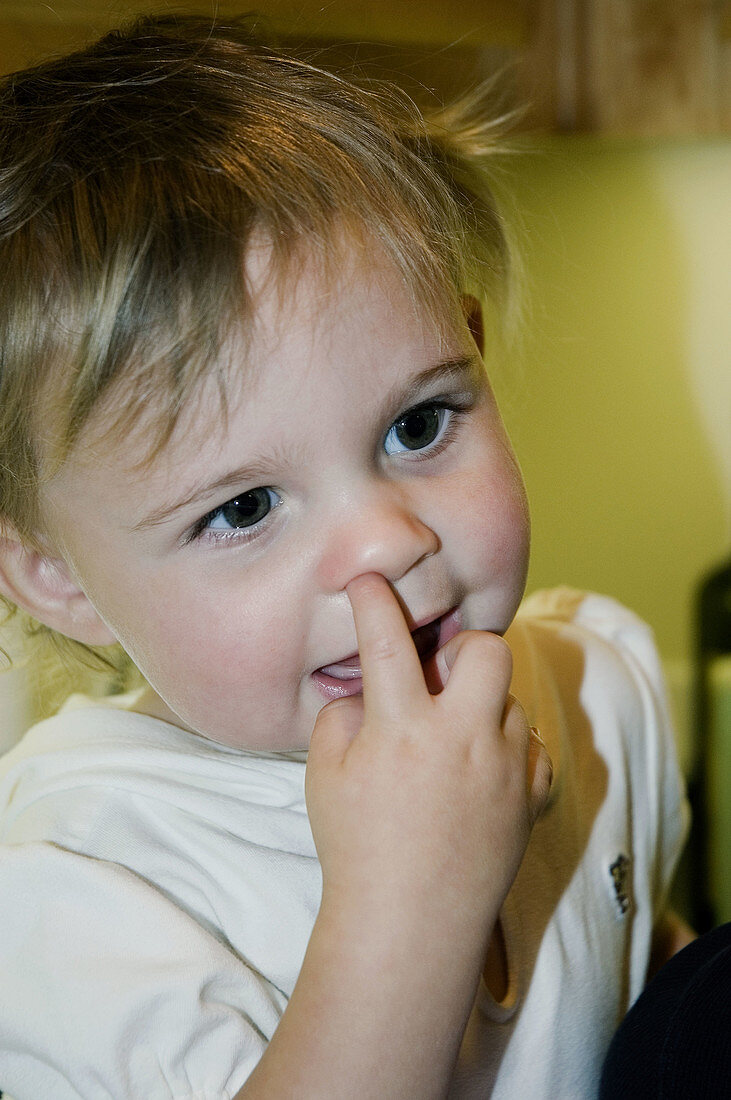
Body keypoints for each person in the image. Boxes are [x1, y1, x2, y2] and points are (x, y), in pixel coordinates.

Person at [0, 15, 691, 1099]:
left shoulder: (593, 696)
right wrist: (409, 906)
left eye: (417, 424)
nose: (387, 539)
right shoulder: (72, 898)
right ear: (60, 577)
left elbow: (638, 1010)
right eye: (244, 507)